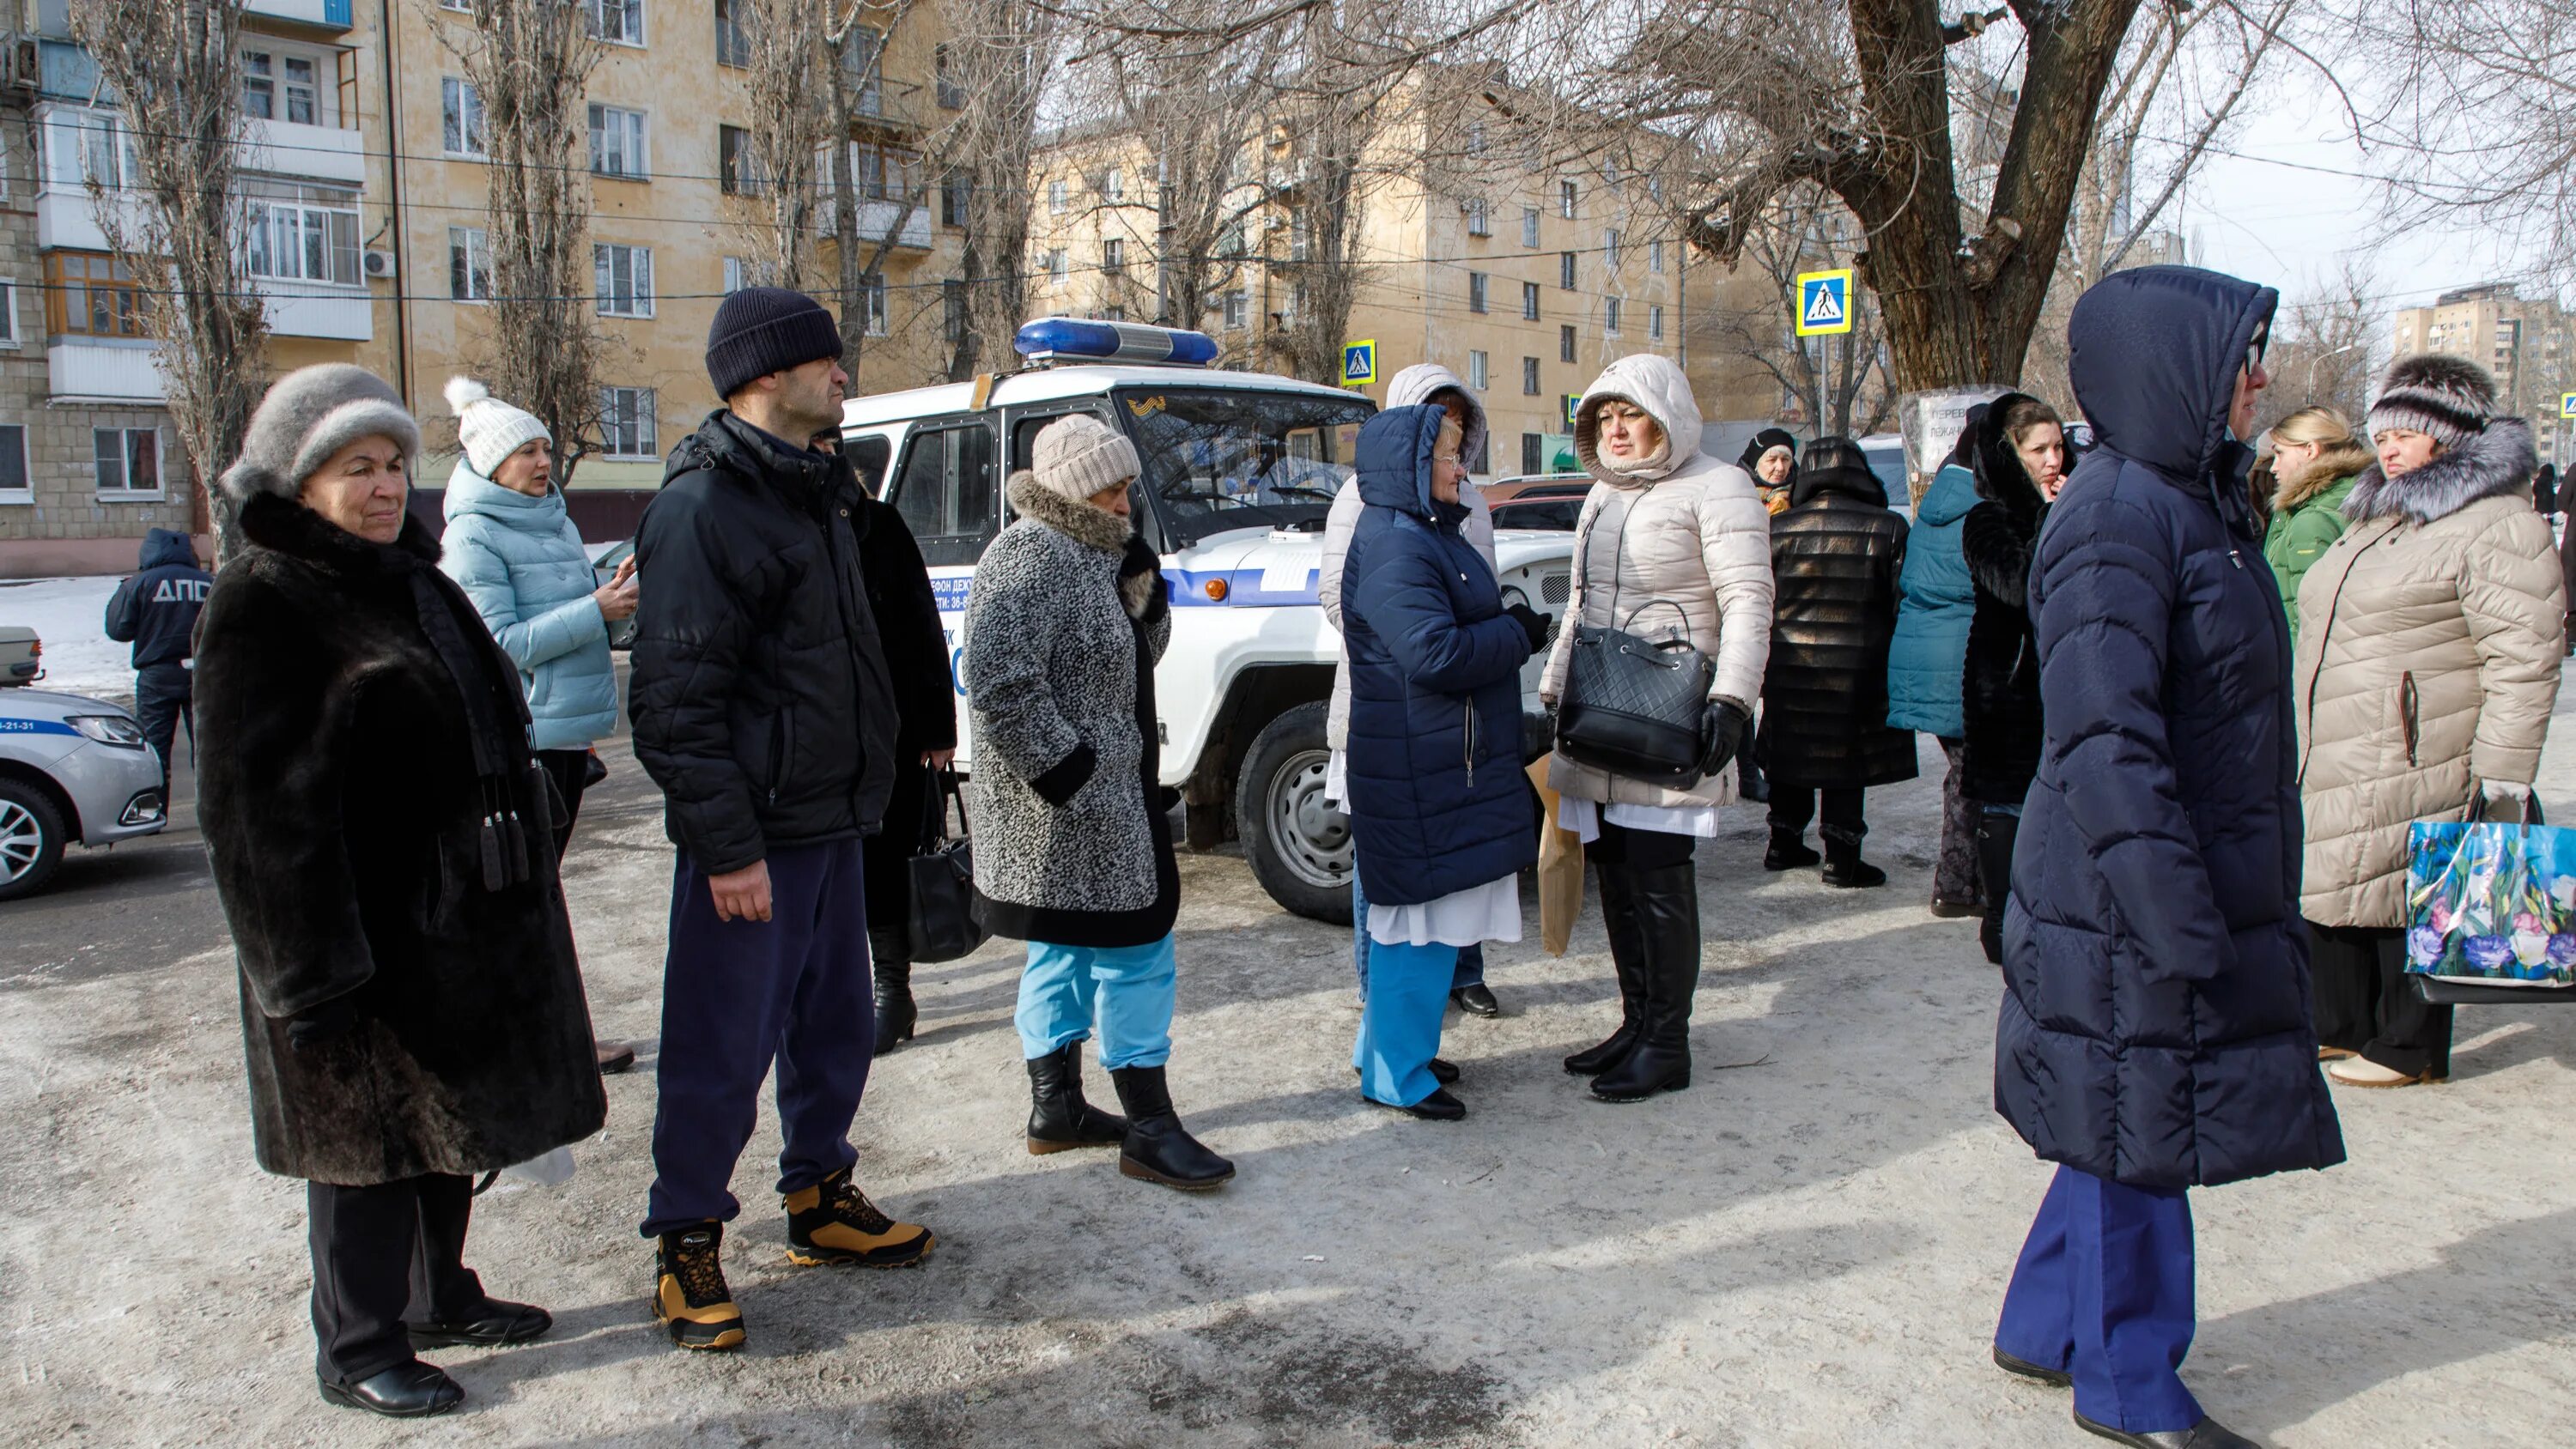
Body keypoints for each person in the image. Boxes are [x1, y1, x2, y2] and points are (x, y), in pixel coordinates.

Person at [193, 365, 606, 1419]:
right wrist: (306, 973)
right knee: (364, 1145)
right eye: (354, 468)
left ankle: (439, 1295)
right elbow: (253, 814)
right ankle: (358, 1340)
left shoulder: (409, 576)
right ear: (297, 481)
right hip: (356, 935)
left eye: (392, 466)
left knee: (446, 1127)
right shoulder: (268, 600)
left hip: (455, 919)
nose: (384, 488)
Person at [1993, 266, 2344, 1449]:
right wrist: (2172, 910)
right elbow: (2106, 739)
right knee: (2143, 1126)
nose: (2258, 379)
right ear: (2169, 367)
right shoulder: (2116, 516)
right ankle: (2132, 1387)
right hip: (2129, 886)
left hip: (2168, 870)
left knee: (2118, 1106)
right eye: (2242, 356)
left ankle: (2047, 1327)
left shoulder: (2190, 501)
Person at [628, 288, 933, 1355]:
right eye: (826, 360)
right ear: (764, 374)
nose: (844, 374)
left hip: (831, 822)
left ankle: (819, 1195)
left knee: (836, 1024)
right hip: (752, 841)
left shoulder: (821, 494)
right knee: (721, 1046)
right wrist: (726, 846)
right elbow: (673, 707)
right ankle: (686, 1239)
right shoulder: (704, 509)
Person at [961, 414, 1235, 1190]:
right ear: (1076, 490)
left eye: (1126, 488)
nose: (1125, 504)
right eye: (1113, 489)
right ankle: (1150, 1127)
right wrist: (1069, 773)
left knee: (1065, 948)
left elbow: (1136, 657)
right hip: (1074, 806)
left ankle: (1058, 1111)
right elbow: (1000, 680)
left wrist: (1146, 598)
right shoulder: (1026, 556)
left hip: (1104, 797)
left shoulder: (1096, 554)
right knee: (1140, 953)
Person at [2294, 355, 2564, 1088]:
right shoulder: (2380, 514)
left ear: (2454, 439)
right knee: (2340, 876)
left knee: (2410, 880)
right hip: (2342, 731)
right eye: (2384, 432)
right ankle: (2340, 1025)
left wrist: (2505, 770)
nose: (2389, 447)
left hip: (2425, 739)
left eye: (2409, 433)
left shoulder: (2495, 522)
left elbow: (2526, 652)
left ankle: (2408, 1046)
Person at [1541, 354, 1771, 1104]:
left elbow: (1747, 600)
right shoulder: (1603, 495)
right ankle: (1637, 1022)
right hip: (1603, 711)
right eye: (1604, 419)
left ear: (1665, 416)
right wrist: (1554, 684)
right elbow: (1582, 599)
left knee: (1660, 877)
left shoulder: (1718, 486)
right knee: (1617, 878)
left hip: (1671, 716)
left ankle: (1668, 1043)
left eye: (1629, 415)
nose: (1616, 431)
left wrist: (1733, 700)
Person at [1340, 404, 1545, 1120]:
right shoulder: (1399, 542)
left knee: (1432, 920)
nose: (1463, 470)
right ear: (1411, 468)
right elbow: (1433, 653)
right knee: (1415, 925)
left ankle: (1398, 1053)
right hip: (1420, 763)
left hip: (1434, 759)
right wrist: (1515, 634)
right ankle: (1396, 1075)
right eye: (1450, 458)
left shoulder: (1423, 530)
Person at [435, 377, 641, 1076]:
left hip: (564, 732)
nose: (542, 461)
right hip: (524, 741)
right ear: (491, 464)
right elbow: (499, 643)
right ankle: (532, 1042)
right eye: (525, 451)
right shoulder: (473, 536)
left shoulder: (549, 517)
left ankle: (548, 1036)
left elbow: (574, 606)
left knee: (541, 894)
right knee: (527, 898)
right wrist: (596, 610)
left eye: (545, 446)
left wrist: (614, 590)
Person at [1318, 362, 1525, 1022]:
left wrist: (1480, 628)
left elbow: (1478, 584)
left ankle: (1460, 975)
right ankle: (1378, 988)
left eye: (1460, 433)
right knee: (1395, 860)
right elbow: (1345, 599)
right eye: (1439, 433)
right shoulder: (1364, 501)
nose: (1456, 455)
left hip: (1457, 706)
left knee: (1461, 851)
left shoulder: (1470, 499)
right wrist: (1412, 639)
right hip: (1391, 700)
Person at [841, 434, 961, 1057]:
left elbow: (921, 629)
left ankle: (892, 991)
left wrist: (939, 732)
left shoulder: (880, 526)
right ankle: (838, 991)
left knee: (883, 862)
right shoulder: (782, 529)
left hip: (888, 733)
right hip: (814, 738)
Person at [1759, 437, 1916, 887]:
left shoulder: (1779, 528)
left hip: (1790, 665)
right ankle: (1842, 859)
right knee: (1848, 760)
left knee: (1791, 752)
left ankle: (1783, 844)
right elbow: (1899, 600)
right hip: (1858, 668)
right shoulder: (1887, 527)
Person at [1958, 394, 2064, 964]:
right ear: (2009, 456)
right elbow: (2019, 585)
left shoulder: (2067, 504)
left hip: (2059, 681)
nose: (2052, 459)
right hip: (2004, 686)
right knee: (2006, 805)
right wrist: (2052, 516)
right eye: (2037, 449)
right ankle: (2000, 921)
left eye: (2057, 446)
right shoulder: (1987, 518)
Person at [1885, 411, 1986, 917]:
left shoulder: (1936, 506)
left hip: (1929, 654)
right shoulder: (1984, 510)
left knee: (1967, 772)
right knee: (1977, 776)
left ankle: (1960, 884)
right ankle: (1960, 886)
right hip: (1964, 659)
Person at [101, 526, 211, 795]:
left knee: (154, 746)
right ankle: (213, 813)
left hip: (157, 674)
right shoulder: (209, 582)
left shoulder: (138, 584)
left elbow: (119, 631)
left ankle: (154, 813)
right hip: (205, 674)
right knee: (207, 747)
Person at [2259, 406, 2372, 639]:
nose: (2273, 467)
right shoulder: (2350, 498)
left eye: (2280, 453)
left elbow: (2310, 623)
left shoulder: (2311, 521)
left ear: (2310, 450)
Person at [1739, 427, 1796, 516]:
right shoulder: (1736, 496)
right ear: (1755, 465)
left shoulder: (1802, 496)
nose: (1780, 468)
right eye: (1772, 460)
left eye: (1785, 459)